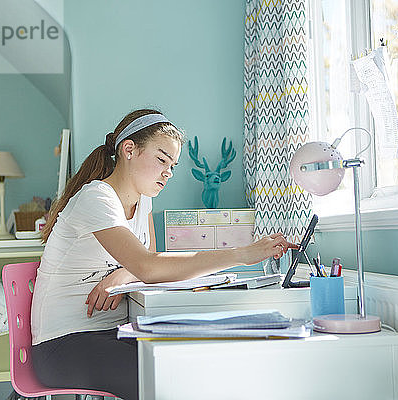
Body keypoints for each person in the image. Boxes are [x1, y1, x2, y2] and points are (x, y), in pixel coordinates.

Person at [30, 109, 296, 400]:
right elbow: (150, 266)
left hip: (110, 332)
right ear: (129, 150)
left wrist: (124, 273)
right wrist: (242, 254)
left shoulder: (143, 201)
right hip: (64, 344)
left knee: (194, 362)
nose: (168, 172)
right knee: (173, 378)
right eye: (161, 159)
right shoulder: (97, 198)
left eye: (173, 165)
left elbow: (148, 262)